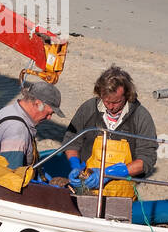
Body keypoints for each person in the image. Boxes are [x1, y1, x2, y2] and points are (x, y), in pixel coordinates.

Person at [63, 66, 157, 196]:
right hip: (87, 187)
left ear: (127, 95)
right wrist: (75, 165)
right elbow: (71, 141)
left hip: (122, 193)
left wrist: (109, 174)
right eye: (106, 101)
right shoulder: (89, 108)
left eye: (116, 102)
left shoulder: (141, 116)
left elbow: (146, 160)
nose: (111, 107)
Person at [0, 80, 64, 169]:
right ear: (37, 104)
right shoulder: (18, 131)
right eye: (49, 113)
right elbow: (12, 175)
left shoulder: (8, 110)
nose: (49, 118)